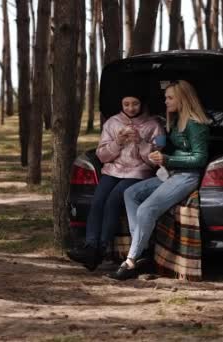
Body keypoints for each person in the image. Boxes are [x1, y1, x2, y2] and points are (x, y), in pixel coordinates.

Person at [108, 80, 211, 280]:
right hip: (170, 173)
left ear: (183, 99)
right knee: (130, 193)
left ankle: (131, 260)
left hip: (187, 176)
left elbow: (200, 158)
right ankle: (143, 250)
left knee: (146, 209)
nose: (165, 101)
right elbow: (174, 150)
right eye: (166, 97)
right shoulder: (175, 119)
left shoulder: (196, 124)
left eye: (170, 97)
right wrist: (157, 151)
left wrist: (168, 159)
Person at [67, 87, 165, 271]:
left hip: (138, 173)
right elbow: (102, 156)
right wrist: (117, 142)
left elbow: (154, 162)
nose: (131, 108)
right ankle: (90, 247)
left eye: (135, 104)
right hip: (112, 171)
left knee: (113, 201)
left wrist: (141, 142)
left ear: (142, 104)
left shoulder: (154, 125)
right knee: (98, 201)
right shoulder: (112, 123)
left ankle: (102, 248)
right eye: (126, 104)